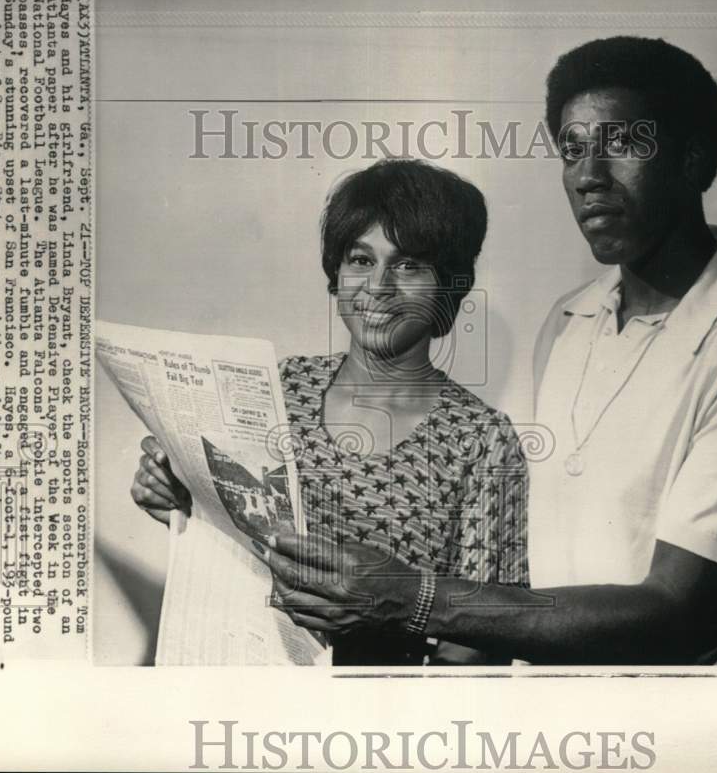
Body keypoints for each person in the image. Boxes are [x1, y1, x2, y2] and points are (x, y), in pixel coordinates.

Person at [261, 36, 717, 664]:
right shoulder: (569, 321)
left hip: (672, 723)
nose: (589, 176)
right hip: (543, 713)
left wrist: (415, 598)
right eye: (572, 150)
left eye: (621, 144)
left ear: (694, 159)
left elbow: (679, 612)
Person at [131, 158, 529, 665]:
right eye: (361, 260)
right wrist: (173, 497)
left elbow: (487, 637)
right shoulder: (275, 387)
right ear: (336, 273)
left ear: (450, 284)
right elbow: (228, 542)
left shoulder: (483, 438)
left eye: (409, 265)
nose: (379, 286)